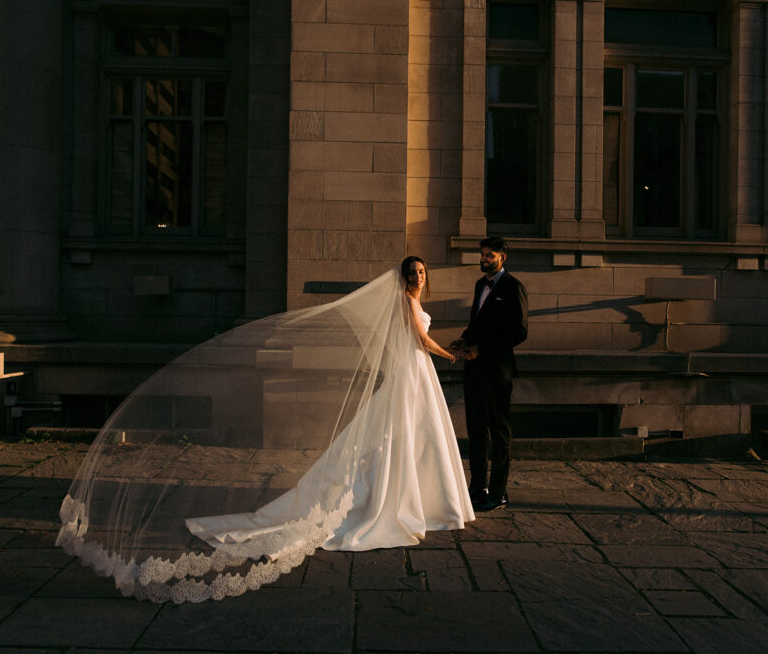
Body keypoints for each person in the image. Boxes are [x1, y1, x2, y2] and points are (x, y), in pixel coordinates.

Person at [58, 257, 473, 602]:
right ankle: (396, 500)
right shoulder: (402, 301)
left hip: (417, 376)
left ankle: (429, 498)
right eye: (413, 272)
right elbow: (419, 340)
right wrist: (451, 356)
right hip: (414, 371)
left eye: (421, 272)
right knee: (396, 438)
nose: (418, 277)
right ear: (403, 277)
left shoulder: (411, 299)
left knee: (416, 437)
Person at [451, 237, 528, 512]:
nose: (483, 259)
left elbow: (519, 332)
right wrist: (463, 339)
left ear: (502, 258)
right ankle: (477, 488)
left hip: (497, 372)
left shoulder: (513, 287)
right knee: (476, 431)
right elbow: (477, 324)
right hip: (473, 370)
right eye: (482, 254)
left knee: (499, 433)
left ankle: (499, 492)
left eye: (489, 255)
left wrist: (481, 349)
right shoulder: (478, 286)